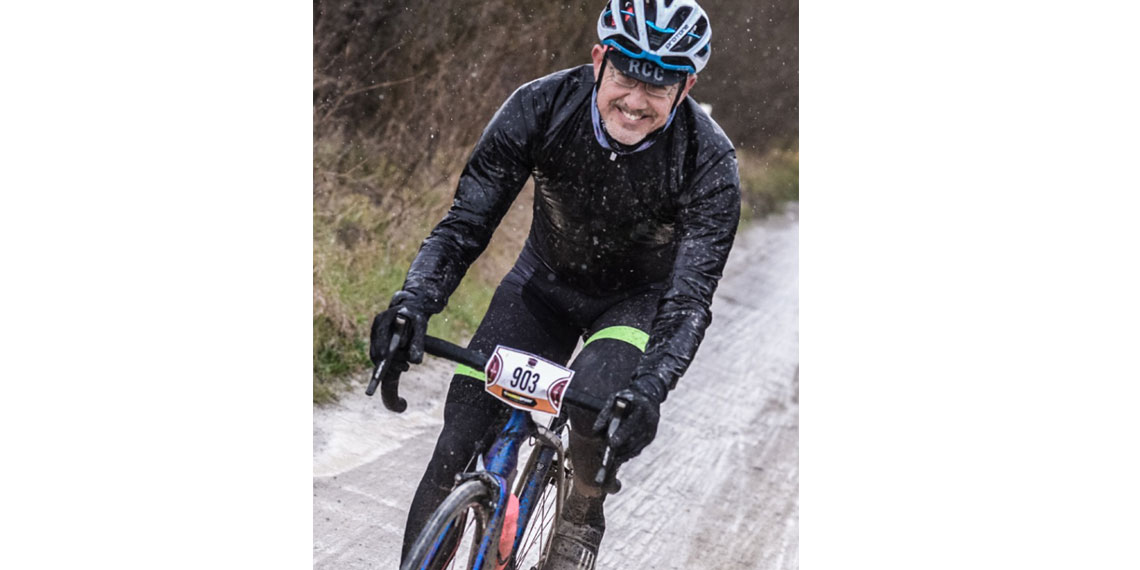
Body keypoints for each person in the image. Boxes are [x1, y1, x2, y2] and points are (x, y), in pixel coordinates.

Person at [369, 1, 739, 567]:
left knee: (595, 417)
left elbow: (689, 300)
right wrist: (412, 302)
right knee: (456, 442)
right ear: (599, 60)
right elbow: (466, 224)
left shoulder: (708, 161)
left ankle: (584, 505)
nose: (636, 101)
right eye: (626, 74)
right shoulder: (540, 106)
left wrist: (648, 391)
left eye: (659, 85)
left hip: (632, 306)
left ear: (685, 88)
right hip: (541, 285)